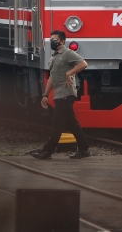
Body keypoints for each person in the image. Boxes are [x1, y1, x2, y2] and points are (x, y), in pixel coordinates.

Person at [32, 30, 91, 160]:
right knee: (71, 122)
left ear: (62, 42)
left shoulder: (68, 53)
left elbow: (83, 64)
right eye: (51, 39)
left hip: (67, 92)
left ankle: (47, 151)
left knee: (57, 123)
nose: (52, 42)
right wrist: (45, 95)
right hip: (59, 94)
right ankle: (84, 149)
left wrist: (69, 73)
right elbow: (52, 77)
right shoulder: (54, 56)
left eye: (55, 40)